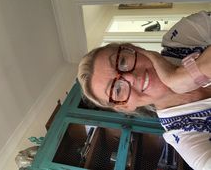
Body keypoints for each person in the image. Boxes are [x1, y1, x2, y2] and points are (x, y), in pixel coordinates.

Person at [78, 11, 211, 170]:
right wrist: (192, 75)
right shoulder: (184, 134)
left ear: (133, 49)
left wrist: (185, 74)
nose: (131, 78)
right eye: (117, 89)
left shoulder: (182, 38)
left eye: (122, 61)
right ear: (125, 107)